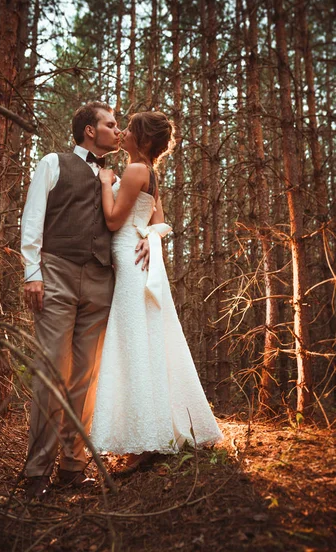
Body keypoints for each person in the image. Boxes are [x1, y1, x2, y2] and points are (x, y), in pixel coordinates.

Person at [21, 101, 149, 499]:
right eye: (111, 125)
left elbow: (139, 218)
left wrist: (150, 237)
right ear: (90, 131)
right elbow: (32, 217)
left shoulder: (120, 176)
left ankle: (72, 468)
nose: (118, 130)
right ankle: (36, 472)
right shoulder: (53, 163)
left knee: (86, 378)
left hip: (100, 281)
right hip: (56, 274)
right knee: (52, 372)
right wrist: (32, 273)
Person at [91, 111, 223, 473]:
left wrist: (105, 182)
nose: (125, 133)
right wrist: (151, 237)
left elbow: (114, 220)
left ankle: (146, 441)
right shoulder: (148, 171)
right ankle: (152, 430)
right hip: (136, 259)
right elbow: (160, 221)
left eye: (130, 129)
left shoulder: (134, 170)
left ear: (144, 140)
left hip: (130, 261)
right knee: (144, 340)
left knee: (135, 343)